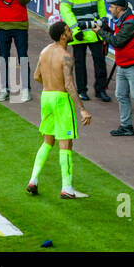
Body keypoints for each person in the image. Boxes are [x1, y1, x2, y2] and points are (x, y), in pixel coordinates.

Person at [27, 20, 92, 199]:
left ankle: (33, 180)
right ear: (63, 35)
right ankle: (67, 188)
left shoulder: (44, 51)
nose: (71, 32)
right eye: (68, 30)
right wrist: (82, 109)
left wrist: (50, 85)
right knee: (66, 144)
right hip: (61, 100)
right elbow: (69, 84)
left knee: (48, 141)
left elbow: (36, 76)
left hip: (46, 97)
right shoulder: (66, 56)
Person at [99, 0, 134, 136]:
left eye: (112, 7)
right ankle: (126, 126)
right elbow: (117, 37)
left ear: (119, 8)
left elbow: (117, 41)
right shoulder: (123, 20)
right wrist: (106, 30)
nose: (110, 10)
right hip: (123, 63)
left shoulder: (130, 22)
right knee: (121, 95)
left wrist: (99, 31)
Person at [58, 0, 109, 103]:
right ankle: (82, 90)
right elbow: (65, 9)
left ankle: (101, 90)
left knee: (100, 60)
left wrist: (103, 19)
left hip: (94, 30)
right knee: (79, 63)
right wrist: (75, 29)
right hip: (80, 30)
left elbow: (100, 3)